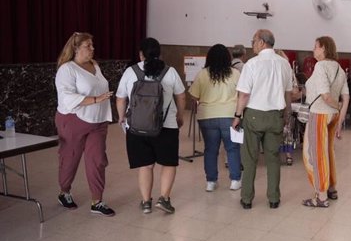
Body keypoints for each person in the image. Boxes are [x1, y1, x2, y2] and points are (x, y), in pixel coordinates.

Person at [116, 38, 185, 215]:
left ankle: (146, 202)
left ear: (140, 54)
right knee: (168, 164)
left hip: (137, 126)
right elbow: (181, 96)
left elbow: (120, 98)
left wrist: (122, 117)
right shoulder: (170, 72)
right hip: (166, 126)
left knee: (145, 165)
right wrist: (179, 116)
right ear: (159, 53)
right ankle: (164, 198)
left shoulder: (130, 72)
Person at [54, 32, 115, 216]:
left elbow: (100, 87)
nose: (92, 49)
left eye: (92, 45)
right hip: (73, 121)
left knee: (97, 160)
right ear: (76, 49)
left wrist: (100, 102)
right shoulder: (67, 69)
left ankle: (97, 201)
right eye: (88, 46)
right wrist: (95, 99)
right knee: (70, 159)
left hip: (98, 121)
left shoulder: (94, 65)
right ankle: (64, 192)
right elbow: (66, 97)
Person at [232, 29, 293, 210]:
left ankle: (247, 199)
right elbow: (288, 93)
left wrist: (237, 116)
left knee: (250, 158)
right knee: (273, 158)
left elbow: (243, 95)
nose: (252, 45)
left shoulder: (252, 64)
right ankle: (274, 198)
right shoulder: (284, 64)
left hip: (253, 115)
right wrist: (287, 114)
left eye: (253, 41)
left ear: (262, 42)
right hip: (276, 115)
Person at [302, 36, 350, 208]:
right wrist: (340, 119)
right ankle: (331, 188)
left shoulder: (320, 66)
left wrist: (334, 105)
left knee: (315, 154)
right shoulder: (339, 68)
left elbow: (325, 95)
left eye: (316, 47)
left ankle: (321, 197)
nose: (313, 50)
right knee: (328, 151)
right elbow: (346, 97)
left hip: (320, 114)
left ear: (323, 48)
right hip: (332, 116)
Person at [188, 44, 242, 192]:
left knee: (210, 149)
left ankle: (211, 181)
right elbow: (242, 93)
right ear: (228, 58)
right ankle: (235, 180)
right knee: (232, 148)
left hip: (207, 116)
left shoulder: (202, 74)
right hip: (230, 116)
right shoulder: (235, 73)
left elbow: (193, 96)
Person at [276, 49, 303, 166]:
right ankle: (288, 156)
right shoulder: (288, 71)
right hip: (285, 105)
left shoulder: (269, 70)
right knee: (287, 129)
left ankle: (273, 154)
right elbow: (295, 91)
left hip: (271, 106)